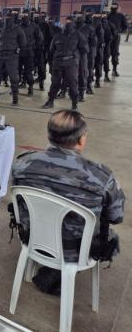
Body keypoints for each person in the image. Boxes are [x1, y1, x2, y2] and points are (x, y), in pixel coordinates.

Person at [11, 110, 125, 293]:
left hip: (34, 237)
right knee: (111, 237)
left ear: (49, 136)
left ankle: (52, 271)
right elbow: (117, 216)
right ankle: (57, 273)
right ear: (81, 140)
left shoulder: (22, 165)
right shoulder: (100, 176)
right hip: (78, 249)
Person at [42, 17, 85, 111]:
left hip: (71, 63)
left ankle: (74, 103)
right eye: (66, 22)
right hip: (58, 63)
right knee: (55, 83)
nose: (68, 23)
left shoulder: (78, 35)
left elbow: (84, 49)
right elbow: (51, 49)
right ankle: (50, 101)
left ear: (73, 23)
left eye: (70, 22)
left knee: (73, 84)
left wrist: (76, 59)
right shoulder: (58, 35)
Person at [0, 11, 26, 106]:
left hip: (11, 56)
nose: (7, 19)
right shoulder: (0, 30)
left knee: (13, 77)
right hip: (0, 55)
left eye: (9, 17)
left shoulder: (18, 29)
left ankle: (15, 98)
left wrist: (16, 50)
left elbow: (23, 43)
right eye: (6, 17)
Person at [18, 10, 43, 97]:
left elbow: (40, 39)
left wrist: (35, 48)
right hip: (19, 52)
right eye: (23, 14)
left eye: (26, 14)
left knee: (28, 71)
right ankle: (17, 87)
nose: (24, 16)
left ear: (29, 15)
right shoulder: (19, 26)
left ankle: (30, 88)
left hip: (29, 52)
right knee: (17, 71)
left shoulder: (34, 26)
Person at [107, 2, 127, 76]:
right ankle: (106, 71)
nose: (113, 8)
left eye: (115, 7)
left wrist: (119, 31)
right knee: (106, 53)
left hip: (116, 37)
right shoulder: (108, 16)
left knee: (115, 53)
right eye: (112, 7)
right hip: (107, 37)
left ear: (117, 7)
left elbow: (125, 26)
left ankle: (114, 69)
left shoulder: (121, 16)